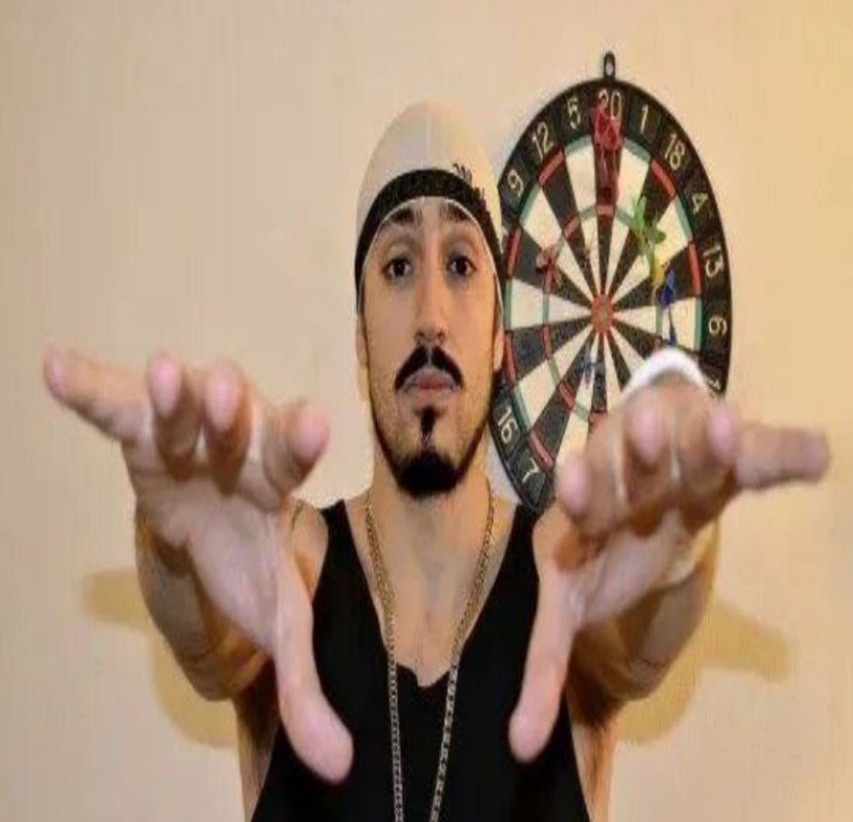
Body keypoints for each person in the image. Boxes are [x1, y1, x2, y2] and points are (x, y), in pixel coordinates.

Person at [43, 102, 829, 822]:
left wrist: (677, 546)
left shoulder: (563, 572)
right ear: (360, 338)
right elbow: (209, 641)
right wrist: (171, 547)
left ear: (497, 339)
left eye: (460, 265)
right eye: (397, 266)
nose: (429, 316)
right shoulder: (293, 570)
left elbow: (638, 644)